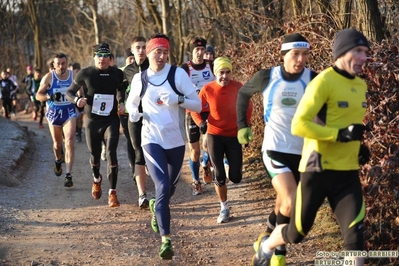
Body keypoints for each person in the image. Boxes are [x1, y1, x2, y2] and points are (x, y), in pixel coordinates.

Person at [251, 29, 370, 266]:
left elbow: (345, 125)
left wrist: (358, 146)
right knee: (296, 233)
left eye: (366, 52)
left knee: (356, 240)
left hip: (347, 173)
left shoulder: (361, 86)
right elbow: (300, 125)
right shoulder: (322, 81)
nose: (364, 57)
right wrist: (339, 135)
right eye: (358, 51)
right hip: (317, 169)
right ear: (343, 52)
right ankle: (266, 245)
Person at [236, 33, 318, 265]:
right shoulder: (267, 77)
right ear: (283, 55)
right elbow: (243, 94)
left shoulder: (313, 78)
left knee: (285, 201)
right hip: (274, 149)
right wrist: (243, 126)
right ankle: (277, 251)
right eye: (295, 54)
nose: (300, 59)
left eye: (305, 54)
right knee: (290, 199)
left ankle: (269, 232)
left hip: (303, 153)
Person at [125, 33, 201, 260]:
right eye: (157, 51)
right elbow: (131, 103)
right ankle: (166, 240)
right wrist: (134, 112)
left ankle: (156, 207)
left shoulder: (177, 74)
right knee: (161, 184)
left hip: (176, 141)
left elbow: (197, 103)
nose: (162, 56)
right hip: (151, 140)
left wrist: (178, 100)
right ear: (147, 54)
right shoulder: (141, 78)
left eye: (165, 52)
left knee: (170, 189)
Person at [191, 57, 253, 224]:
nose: (224, 76)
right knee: (219, 174)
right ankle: (224, 207)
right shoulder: (208, 89)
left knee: (236, 177)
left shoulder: (238, 87)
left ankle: (229, 171)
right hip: (214, 135)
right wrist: (201, 123)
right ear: (215, 73)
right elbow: (194, 109)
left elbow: (249, 106)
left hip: (233, 135)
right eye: (221, 73)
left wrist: (244, 127)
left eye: (227, 73)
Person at [66, 43, 125, 208]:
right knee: (95, 156)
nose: (102, 59)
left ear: (110, 58)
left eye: (106, 55)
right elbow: (69, 92)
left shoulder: (117, 73)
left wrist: (121, 102)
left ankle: (112, 192)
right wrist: (77, 100)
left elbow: (121, 90)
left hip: (111, 120)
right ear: (94, 57)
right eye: (99, 55)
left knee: (112, 153)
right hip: (92, 122)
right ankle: (96, 179)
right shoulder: (86, 73)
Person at [36, 53, 78, 188]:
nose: (61, 66)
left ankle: (68, 175)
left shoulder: (73, 76)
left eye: (63, 63)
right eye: (58, 64)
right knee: (57, 144)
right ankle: (58, 160)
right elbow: (38, 95)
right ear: (54, 65)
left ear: (67, 63)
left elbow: (81, 91)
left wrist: (80, 99)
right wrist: (49, 96)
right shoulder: (49, 77)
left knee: (70, 141)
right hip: (54, 113)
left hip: (69, 112)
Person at [180, 36, 216, 195]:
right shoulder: (185, 68)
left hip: (210, 111)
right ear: (191, 51)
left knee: (208, 143)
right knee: (194, 151)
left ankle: (206, 163)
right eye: (197, 50)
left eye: (202, 49)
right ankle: (196, 181)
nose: (200, 53)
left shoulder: (211, 65)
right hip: (192, 112)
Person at [123, 36, 150, 209]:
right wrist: (120, 102)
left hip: (152, 115)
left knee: (154, 150)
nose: (141, 50)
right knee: (137, 149)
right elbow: (119, 89)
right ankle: (142, 195)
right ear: (132, 51)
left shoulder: (154, 68)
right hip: (133, 116)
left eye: (143, 47)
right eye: (137, 48)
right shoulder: (126, 71)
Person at [69, 63, 84, 142]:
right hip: (72, 100)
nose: (74, 72)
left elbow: (81, 93)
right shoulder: (68, 78)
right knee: (76, 117)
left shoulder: (81, 77)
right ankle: (75, 132)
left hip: (81, 99)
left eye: (76, 71)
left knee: (80, 118)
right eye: (71, 70)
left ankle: (79, 132)